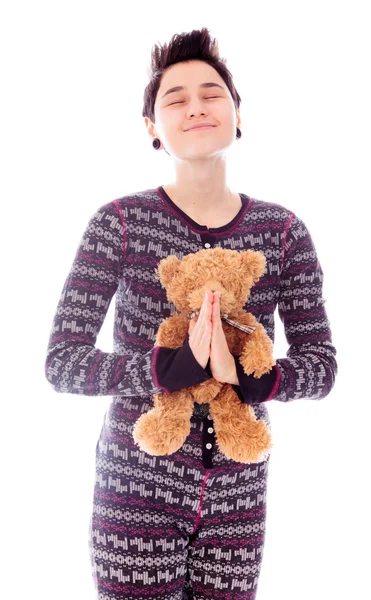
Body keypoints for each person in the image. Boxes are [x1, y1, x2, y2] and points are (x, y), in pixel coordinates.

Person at [44, 27, 338, 600]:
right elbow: (61, 362)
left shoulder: (282, 232)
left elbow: (322, 367)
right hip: (135, 489)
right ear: (153, 128)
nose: (196, 106)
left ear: (237, 115)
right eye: (174, 99)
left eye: (212, 93)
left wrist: (253, 375)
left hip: (239, 495)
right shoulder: (119, 224)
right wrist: (163, 369)